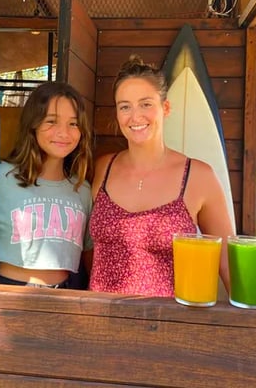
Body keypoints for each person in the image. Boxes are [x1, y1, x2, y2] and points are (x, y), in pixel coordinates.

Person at [87, 55, 234, 297]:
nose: (135, 116)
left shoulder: (199, 176)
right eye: (125, 106)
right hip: (100, 325)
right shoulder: (103, 168)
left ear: (165, 108)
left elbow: (228, 263)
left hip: (168, 328)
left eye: (146, 104)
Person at [0, 81, 93, 288]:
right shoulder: (1, 176)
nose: (64, 133)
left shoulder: (82, 189)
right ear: (33, 124)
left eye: (73, 123)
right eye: (51, 121)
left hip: (66, 298)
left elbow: (89, 255)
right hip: (9, 294)